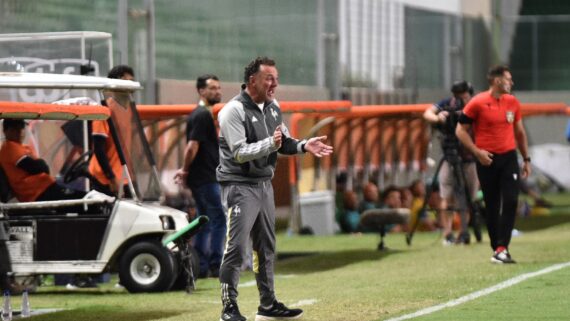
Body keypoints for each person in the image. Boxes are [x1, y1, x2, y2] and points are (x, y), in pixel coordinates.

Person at [216, 57, 333, 321]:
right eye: (269, 78)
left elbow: (283, 142)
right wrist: (271, 143)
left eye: (276, 78)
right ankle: (229, 308)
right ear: (252, 80)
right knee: (236, 248)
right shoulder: (232, 111)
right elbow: (239, 153)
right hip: (239, 186)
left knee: (265, 247)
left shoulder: (273, 107)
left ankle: (267, 306)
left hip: (263, 185)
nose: (275, 83)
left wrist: (304, 145)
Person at [456, 65, 531, 264]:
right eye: (508, 79)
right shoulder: (477, 102)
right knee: (492, 204)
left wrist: (526, 158)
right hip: (486, 159)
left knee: (511, 200)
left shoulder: (512, 102)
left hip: (508, 158)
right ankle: (497, 248)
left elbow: (520, 132)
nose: (511, 83)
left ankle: (502, 247)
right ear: (497, 81)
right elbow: (460, 130)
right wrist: (477, 152)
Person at [173, 74, 226, 278]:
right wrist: (184, 170)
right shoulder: (202, 115)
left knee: (204, 220)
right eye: (212, 88)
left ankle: (201, 266)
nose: (217, 91)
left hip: (203, 177)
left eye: (218, 87)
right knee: (219, 218)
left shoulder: (204, 114)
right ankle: (214, 263)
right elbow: (191, 147)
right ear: (201, 91)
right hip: (205, 178)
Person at [423, 80, 479, 245]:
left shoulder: (475, 105)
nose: (461, 98)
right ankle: (447, 233)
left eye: (464, 95)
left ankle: (464, 231)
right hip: (449, 156)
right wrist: (438, 117)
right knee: (446, 195)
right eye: (458, 95)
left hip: (470, 158)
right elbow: (427, 114)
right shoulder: (447, 104)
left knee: (469, 196)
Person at [0, 119, 86, 202]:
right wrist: (41, 164)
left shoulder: (19, 147)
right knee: (85, 198)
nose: (20, 132)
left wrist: (41, 164)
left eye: (21, 128)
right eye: (14, 129)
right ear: (5, 131)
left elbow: (40, 166)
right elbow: (36, 167)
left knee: (83, 197)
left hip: (43, 189)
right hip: (37, 192)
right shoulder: (10, 148)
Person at [88, 65, 135, 197]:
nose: (131, 87)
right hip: (105, 179)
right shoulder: (104, 111)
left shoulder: (130, 110)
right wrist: (111, 178)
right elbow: (98, 148)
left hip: (123, 176)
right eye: (127, 82)